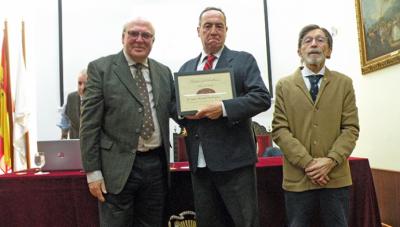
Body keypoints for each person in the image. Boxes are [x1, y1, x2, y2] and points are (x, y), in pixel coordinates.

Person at [178, 7, 271, 227]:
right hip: (200, 164)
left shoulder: (243, 61)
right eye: (207, 26)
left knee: (245, 222)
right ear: (198, 31)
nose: (213, 31)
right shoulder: (186, 68)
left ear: (226, 30)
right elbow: (175, 105)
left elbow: (261, 97)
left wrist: (223, 108)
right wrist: (184, 113)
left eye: (219, 26)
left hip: (236, 163)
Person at [80, 17, 175, 227]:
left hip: (155, 166)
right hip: (116, 169)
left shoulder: (164, 72)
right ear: (123, 37)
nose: (139, 39)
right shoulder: (100, 69)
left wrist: (216, 107)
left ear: (153, 41)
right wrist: (92, 172)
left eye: (146, 35)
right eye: (133, 33)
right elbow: (89, 125)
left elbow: (178, 109)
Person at [271, 24, 360, 227]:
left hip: (335, 178)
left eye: (320, 40)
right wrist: (309, 164)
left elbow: (350, 128)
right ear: (299, 51)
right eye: (307, 40)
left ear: (328, 51)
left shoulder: (344, 83)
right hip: (298, 179)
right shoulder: (284, 86)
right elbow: (279, 129)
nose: (314, 44)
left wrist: (330, 161)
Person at [57, 69, 87, 139]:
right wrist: (63, 138)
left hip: (92, 145)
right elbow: (65, 119)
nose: (82, 87)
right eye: (79, 83)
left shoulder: (97, 100)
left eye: (86, 84)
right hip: (74, 143)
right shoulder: (71, 97)